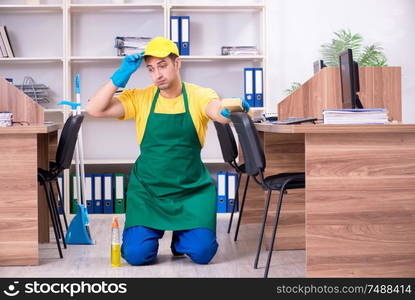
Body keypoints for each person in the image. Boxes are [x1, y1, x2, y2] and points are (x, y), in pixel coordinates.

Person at [86, 37, 250, 266]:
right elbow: (93, 108)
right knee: (136, 255)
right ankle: (157, 234)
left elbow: (216, 110)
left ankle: (181, 239)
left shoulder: (197, 95)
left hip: (191, 189)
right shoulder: (141, 98)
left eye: (162, 65)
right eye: (151, 69)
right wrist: (119, 77)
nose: (157, 75)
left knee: (203, 253)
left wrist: (231, 107)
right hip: (148, 190)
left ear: (177, 63)